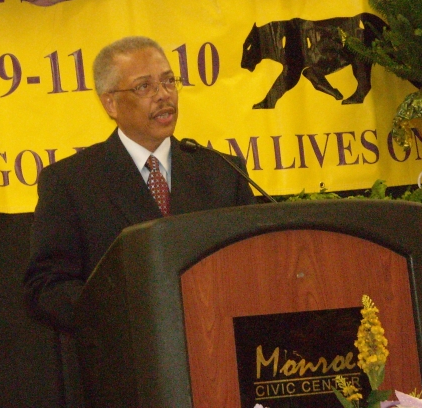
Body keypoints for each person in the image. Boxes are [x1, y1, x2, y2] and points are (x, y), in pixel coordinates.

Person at [23, 35, 255, 404]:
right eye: (145, 86)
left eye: (168, 81)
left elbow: (253, 267)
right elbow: (46, 286)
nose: (164, 95)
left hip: (220, 373)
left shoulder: (223, 172)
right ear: (110, 102)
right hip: (127, 380)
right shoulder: (72, 182)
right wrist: (121, 317)